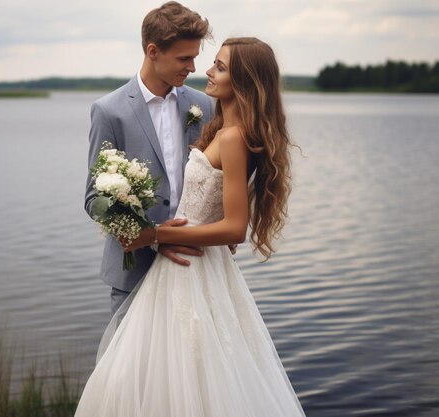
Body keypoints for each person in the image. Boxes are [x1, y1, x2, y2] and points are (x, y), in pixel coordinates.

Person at [75, 37, 306, 416]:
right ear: (153, 51)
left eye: (218, 66)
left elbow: (234, 228)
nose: (204, 71)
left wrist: (156, 235)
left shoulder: (225, 132)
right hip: (173, 268)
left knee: (190, 377)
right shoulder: (217, 125)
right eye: (199, 60)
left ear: (245, 81)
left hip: (191, 266)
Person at [84, 1, 218, 316]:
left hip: (195, 267)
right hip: (134, 275)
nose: (193, 68)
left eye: (195, 58)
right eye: (184, 58)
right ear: (153, 51)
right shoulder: (109, 111)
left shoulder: (206, 107)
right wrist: (156, 237)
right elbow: (94, 201)